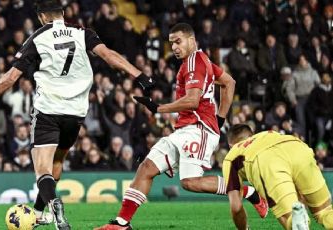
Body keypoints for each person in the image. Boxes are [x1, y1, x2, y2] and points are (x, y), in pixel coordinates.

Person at [0, 0, 154, 229]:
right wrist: (139, 75)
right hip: (76, 113)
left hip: (49, 109)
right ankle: (39, 212)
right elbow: (108, 55)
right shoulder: (81, 32)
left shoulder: (38, 38)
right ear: (63, 14)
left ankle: (54, 204)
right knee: (58, 159)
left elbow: (10, 77)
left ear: (42, 17)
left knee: (42, 167)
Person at [95, 23, 267, 230]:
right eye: (171, 43)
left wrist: (159, 108)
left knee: (190, 182)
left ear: (192, 40)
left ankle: (247, 191)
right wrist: (220, 118)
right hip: (186, 130)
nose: (174, 47)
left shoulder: (195, 62)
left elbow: (193, 100)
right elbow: (229, 83)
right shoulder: (200, 62)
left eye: (178, 41)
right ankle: (122, 223)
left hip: (197, 128)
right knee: (146, 168)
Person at [223, 124, 333, 229]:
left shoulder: (231, 155)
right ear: (252, 135)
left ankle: (296, 221)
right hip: (297, 147)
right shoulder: (267, 134)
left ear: (230, 146)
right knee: (324, 211)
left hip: (266, 160)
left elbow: (236, 207)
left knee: (290, 218)